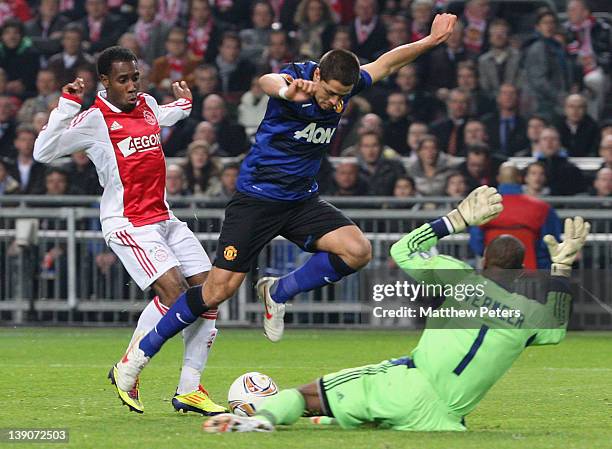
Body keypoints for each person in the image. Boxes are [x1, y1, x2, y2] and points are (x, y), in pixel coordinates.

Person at [111, 14, 460, 396]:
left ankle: (277, 292)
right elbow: (267, 81)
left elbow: (387, 62)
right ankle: (137, 358)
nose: (334, 102)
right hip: (257, 200)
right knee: (215, 292)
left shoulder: (342, 83)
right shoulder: (297, 80)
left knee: (357, 250)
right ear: (319, 76)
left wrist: (429, 40)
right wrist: (286, 91)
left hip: (300, 200)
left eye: (342, 96)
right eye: (329, 92)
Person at [202, 191, 590, 433]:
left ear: (484, 259)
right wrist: (561, 270)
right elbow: (556, 328)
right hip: (446, 420)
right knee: (370, 420)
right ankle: (331, 419)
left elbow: (402, 250)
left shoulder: (461, 276)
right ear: (521, 273)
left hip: (408, 384)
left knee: (307, 395)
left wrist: (455, 220)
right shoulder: (527, 312)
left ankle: (259, 420)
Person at [32, 47, 225, 416]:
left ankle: (189, 389)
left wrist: (184, 105)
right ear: (105, 81)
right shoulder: (93, 119)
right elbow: (43, 152)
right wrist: (66, 106)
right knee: (175, 292)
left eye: (135, 77)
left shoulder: (148, 103)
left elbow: (164, 116)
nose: (133, 86)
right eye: (123, 80)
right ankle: (130, 365)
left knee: (210, 293)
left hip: (164, 218)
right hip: (128, 223)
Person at [469, 163, 561, 269]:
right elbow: (550, 242)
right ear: (520, 179)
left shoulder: (483, 207)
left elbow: (476, 241)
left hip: (492, 270)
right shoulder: (542, 208)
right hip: (530, 271)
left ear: (499, 179)